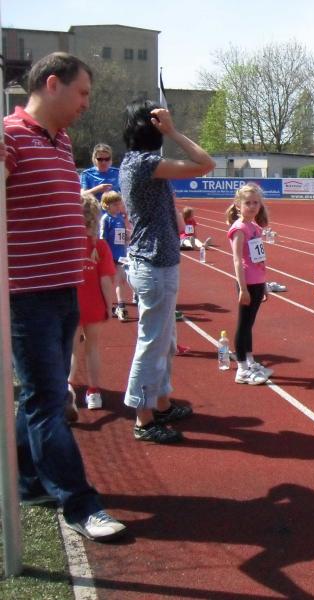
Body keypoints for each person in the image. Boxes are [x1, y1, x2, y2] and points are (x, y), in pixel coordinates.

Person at [4, 52, 125, 542]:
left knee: (41, 394)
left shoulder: (61, 141)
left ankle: (27, 481)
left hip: (63, 289)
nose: (86, 103)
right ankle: (80, 504)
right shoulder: (9, 137)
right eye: (82, 93)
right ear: (52, 84)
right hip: (26, 295)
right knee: (49, 398)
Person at [121, 98, 215, 443]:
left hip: (157, 261)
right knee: (153, 343)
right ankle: (143, 418)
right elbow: (205, 164)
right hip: (154, 264)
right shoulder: (144, 163)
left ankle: (160, 403)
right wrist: (173, 132)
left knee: (164, 342)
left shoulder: (137, 162)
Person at [69, 193, 116, 412]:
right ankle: (93, 391)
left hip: (71, 303)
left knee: (71, 348)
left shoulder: (68, 244)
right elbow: (105, 281)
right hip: (94, 304)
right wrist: (109, 305)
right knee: (93, 347)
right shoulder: (101, 246)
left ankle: (68, 388)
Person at [226, 183, 274, 385]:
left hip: (257, 281)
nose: (253, 206)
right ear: (238, 205)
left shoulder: (255, 227)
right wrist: (243, 288)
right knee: (243, 325)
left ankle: (250, 361)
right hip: (247, 283)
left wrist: (264, 283)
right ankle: (242, 369)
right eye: (248, 203)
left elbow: (258, 258)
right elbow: (237, 260)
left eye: (256, 203)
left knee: (249, 325)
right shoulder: (239, 228)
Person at [99, 190, 131, 321]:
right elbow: (102, 238)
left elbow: (123, 237)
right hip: (108, 255)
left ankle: (121, 306)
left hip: (120, 255)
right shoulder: (105, 219)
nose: (118, 207)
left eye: (119, 204)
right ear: (106, 205)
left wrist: (127, 239)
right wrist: (104, 254)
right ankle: (104, 304)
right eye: (115, 204)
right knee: (106, 281)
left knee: (121, 279)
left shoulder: (120, 218)